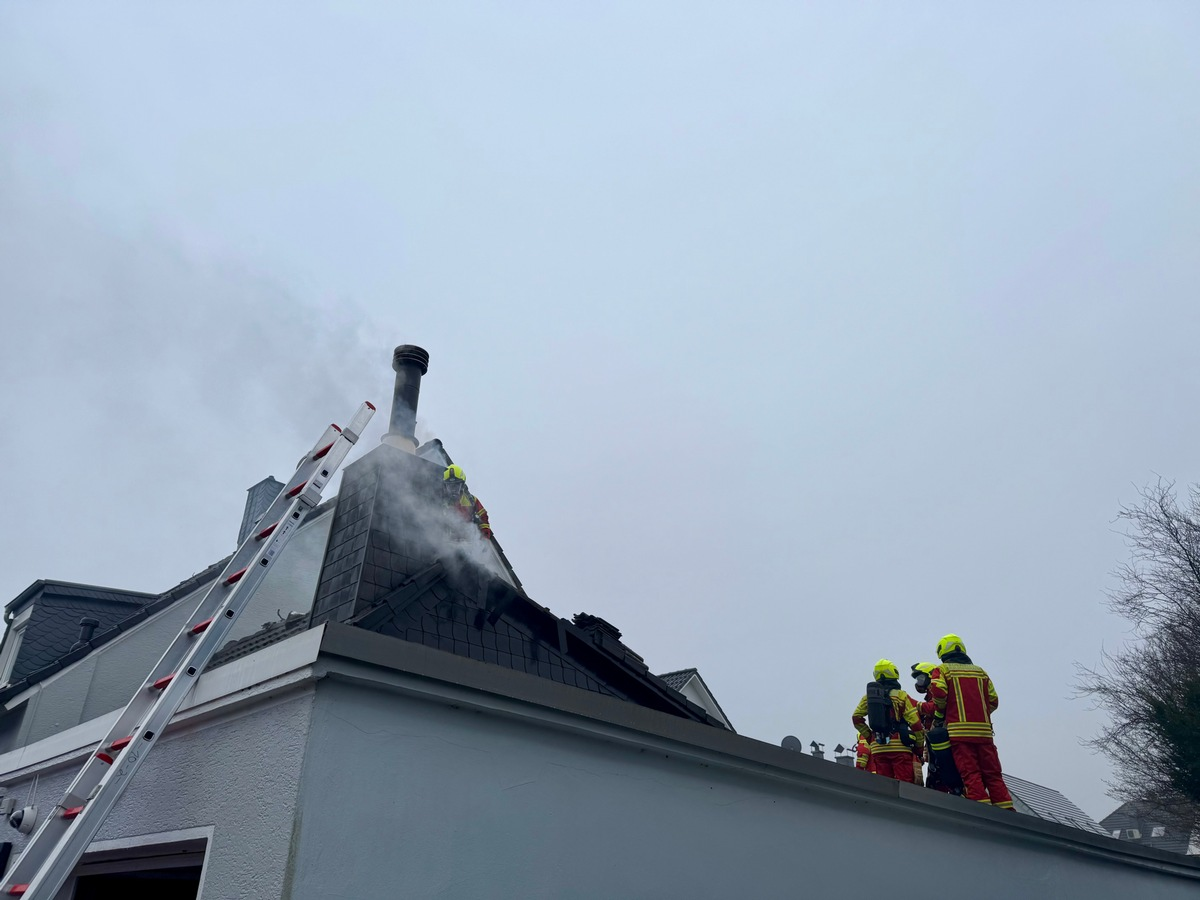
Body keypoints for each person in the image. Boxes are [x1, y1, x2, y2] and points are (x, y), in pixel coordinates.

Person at [927, 634, 1012, 808]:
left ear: (942, 652)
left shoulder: (942, 670)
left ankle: (981, 810)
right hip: (984, 734)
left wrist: (941, 715)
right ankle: (1007, 810)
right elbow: (993, 701)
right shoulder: (981, 672)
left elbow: (939, 693)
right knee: (993, 775)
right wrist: (979, 715)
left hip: (959, 734)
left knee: (971, 774)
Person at [852, 659, 924, 783]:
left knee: (884, 786)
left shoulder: (868, 698)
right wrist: (919, 748)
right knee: (905, 786)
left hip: (878, 749)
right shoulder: (901, 695)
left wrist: (870, 737)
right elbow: (916, 724)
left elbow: (856, 718)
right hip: (900, 748)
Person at [911, 662, 958, 794]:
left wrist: (909, 702)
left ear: (930, 677)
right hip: (934, 740)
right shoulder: (930, 694)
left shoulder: (937, 692)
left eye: (921, 678)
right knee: (935, 774)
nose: (919, 683)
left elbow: (932, 708)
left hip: (941, 739)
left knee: (940, 773)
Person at [442, 464, 492, 540]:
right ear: (445, 487)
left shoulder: (472, 501)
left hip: (470, 542)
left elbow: (483, 517)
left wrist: (484, 537)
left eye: (456, 486)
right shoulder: (441, 502)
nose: (453, 489)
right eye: (450, 486)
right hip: (446, 542)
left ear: (462, 486)